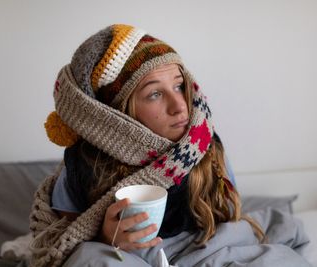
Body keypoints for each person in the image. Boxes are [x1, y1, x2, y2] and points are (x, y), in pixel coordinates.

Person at [29, 24, 263, 267]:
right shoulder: (84, 165)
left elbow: (229, 220)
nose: (180, 105)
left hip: (203, 250)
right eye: (155, 94)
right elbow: (62, 246)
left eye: (179, 86)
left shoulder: (206, 147)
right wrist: (105, 238)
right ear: (116, 113)